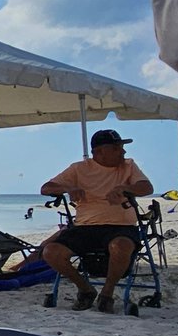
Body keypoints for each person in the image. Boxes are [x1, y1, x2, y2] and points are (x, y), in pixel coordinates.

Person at [39, 129, 153, 313]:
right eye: (117, 148)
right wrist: (69, 187)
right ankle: (85, 289)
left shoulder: (128, 166)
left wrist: (125, 188)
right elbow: (46, 188)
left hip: (121, 226)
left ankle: (107, 294)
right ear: (99, 152)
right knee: (51, 252)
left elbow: (146, 187)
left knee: (121, 246)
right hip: (86, 227)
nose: (123, 152)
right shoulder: (79, 169)